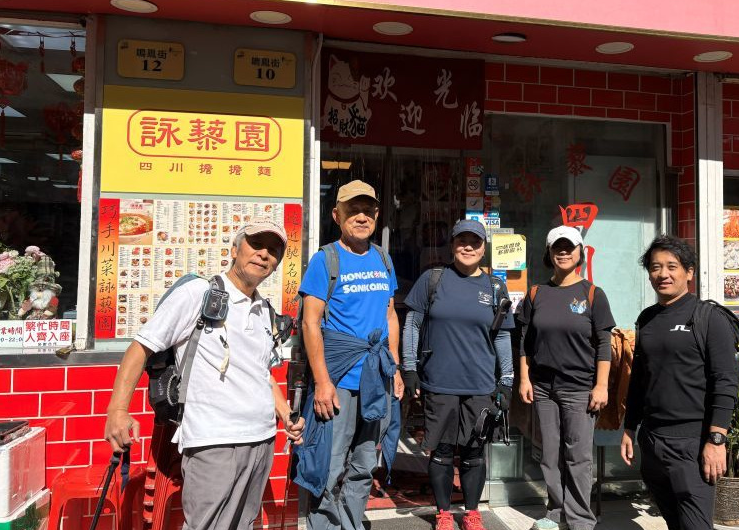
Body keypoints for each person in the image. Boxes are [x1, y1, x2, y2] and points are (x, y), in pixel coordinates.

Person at [104, 217, 305, 530]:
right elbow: (140, 348)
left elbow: (262, 372)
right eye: (256, 244)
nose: (264, 254)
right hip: (214, 440)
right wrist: (117, 411)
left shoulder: (264, 310)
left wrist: (285, 414)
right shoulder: (197, 294)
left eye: (273, 250)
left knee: (244, 524)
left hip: (262, 438)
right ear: (235, 249)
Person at [297, 180, 405, 530]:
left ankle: (352, 523)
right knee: (328, 465)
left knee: (364, 464)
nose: (361, 217)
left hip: (377, 379)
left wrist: (395, 368)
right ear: (336, 215)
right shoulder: (325, 260)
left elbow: (390, 315)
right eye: (352, 210)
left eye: (367, 210)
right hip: (339, 380)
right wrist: (322, 382)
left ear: (377, 214)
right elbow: (310, 323)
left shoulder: (383, 258)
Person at [620, 235, 739, 530]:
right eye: (655, 267)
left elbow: (725, 381)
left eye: (672, 266)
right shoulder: (646, 319)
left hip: (692, 444)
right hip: (653, 440)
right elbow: (640, 378)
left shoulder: (709, 317)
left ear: (689, 272)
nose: (663, 274)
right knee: (674, 523)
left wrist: (716, 440)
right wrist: (630, 427)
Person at [401, 219, 514, 530]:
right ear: (452, 245)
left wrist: (506, 381)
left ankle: (472, 513)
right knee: (442, 452)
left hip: (480, 384)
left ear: (483, 248)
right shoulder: (433, 279)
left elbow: (503, 336)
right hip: (440, 382)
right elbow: (412, 325)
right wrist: (409, 367)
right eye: (462, 241)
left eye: (475, 242)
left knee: (474, 452)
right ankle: (443, 513)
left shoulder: (495, 287)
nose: (468, 247)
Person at [516, 225, 614, 530]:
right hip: (543, 388)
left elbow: (604, 344)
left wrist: (601, 385)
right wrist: (524, 378)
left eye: (569, 247)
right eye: (557, 247)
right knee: (549, 455)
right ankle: (556, 513)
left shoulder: (593, 294)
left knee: (578, 456)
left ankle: (580, 519)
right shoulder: (536, 293)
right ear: (549, 253)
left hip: (580, 388)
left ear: (580, 252)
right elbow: (524, 341)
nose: (563, 252)